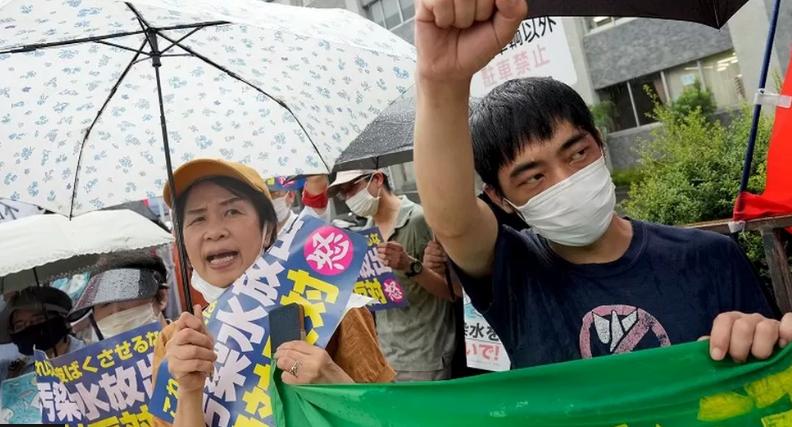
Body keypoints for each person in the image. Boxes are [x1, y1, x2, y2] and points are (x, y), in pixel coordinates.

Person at [412, 0, 792, 369]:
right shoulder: (512, 273)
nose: (566, 180)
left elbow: (763, 372)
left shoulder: (711, 256)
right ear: (499, 198)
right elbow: (453, 220)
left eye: (576, 154)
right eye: (533, 177)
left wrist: (759, 337)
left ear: (600, 143)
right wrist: (441, 80)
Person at [152, 159, 394, 427]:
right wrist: (189, 393)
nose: (215, 232)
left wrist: (333, 382)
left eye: (232, 211)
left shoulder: (335, 311)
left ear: (267, 228)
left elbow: (385, 418)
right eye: (197, 218)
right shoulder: (176, 343)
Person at [329, 169, 456, 381]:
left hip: (426, 355)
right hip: (385, 356)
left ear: (377, 179)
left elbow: (450, 291)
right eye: (343, 194)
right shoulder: (363, 235)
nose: (349, 198)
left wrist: (410, 265)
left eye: (352, 188)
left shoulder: (420, 220)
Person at [69, 258, 170, 342]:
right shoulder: (97, 364)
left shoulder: (185, 348)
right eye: (105, 304)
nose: (116, 311)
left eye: (127, 296)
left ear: (161, 297)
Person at [0, 287, 85, 380]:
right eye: (19, 326)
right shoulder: (13, 370)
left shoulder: (92, 357)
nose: (29, 328)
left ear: (61, 319)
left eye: (38, 320)